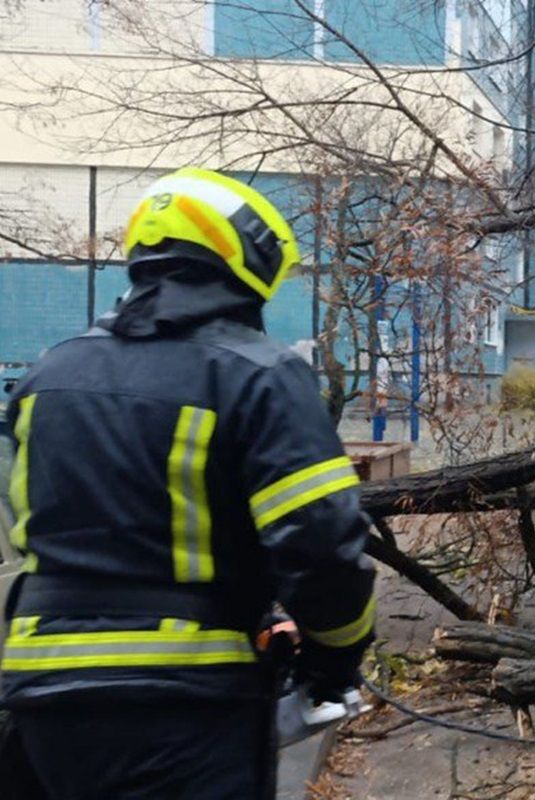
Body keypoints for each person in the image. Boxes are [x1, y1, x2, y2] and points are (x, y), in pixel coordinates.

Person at [1, 167, 376, 798]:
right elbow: (322, 543)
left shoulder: (47, 377)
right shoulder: (259, 376)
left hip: (41, 707)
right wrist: (333, 661)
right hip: (185, 710)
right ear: (245, 263)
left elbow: (25, 530)